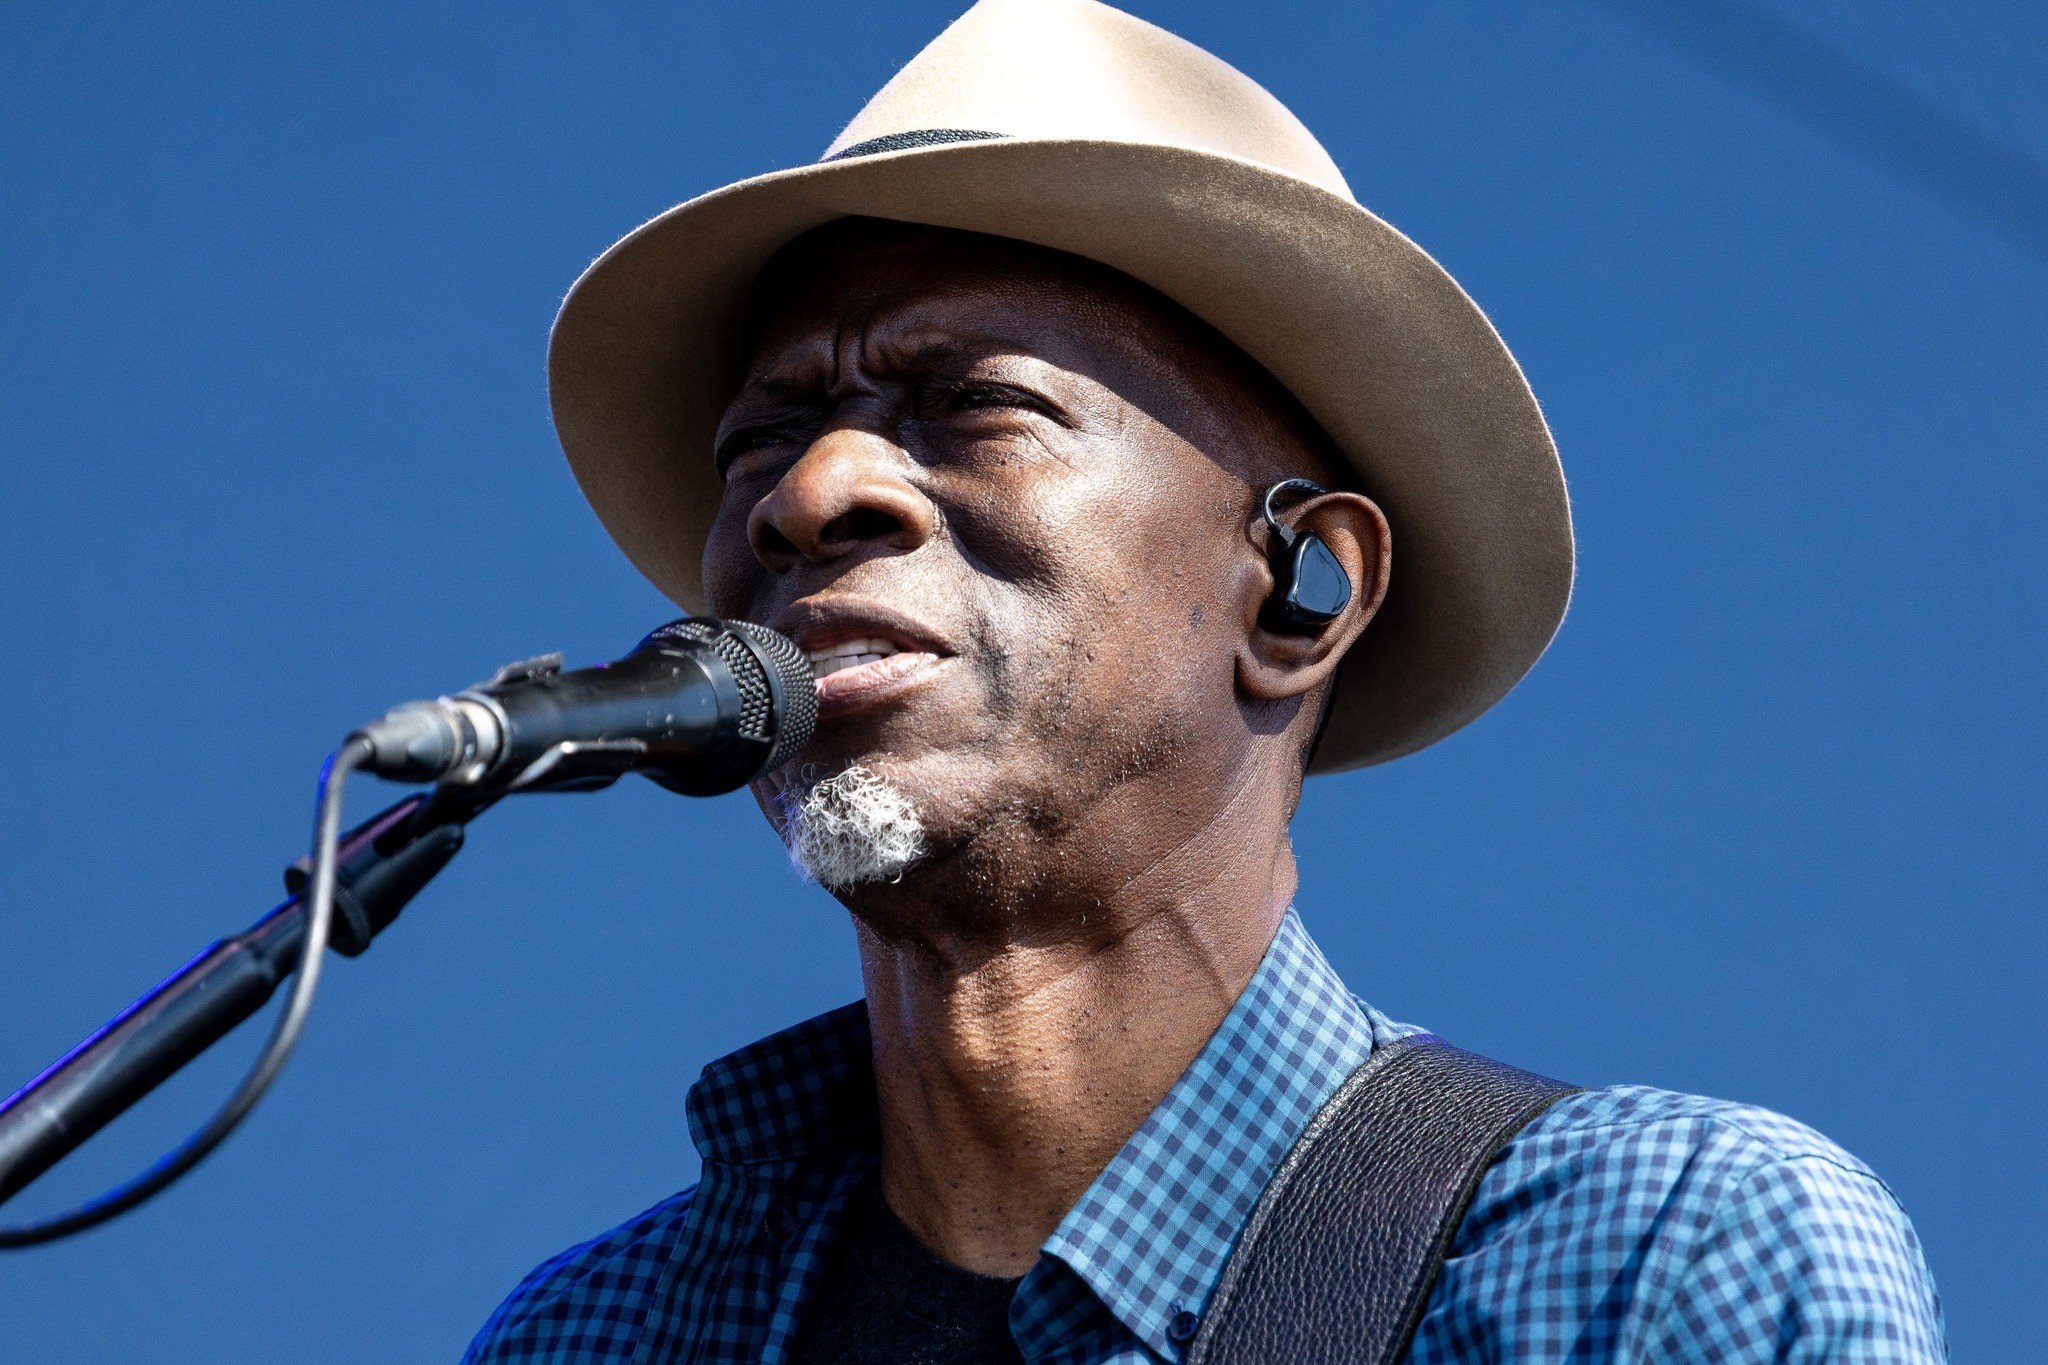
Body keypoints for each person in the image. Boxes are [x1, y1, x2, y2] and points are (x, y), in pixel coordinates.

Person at [466, 2, 1945, 1361]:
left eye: (975, 405)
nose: (811, 493)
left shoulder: (1652, 1261)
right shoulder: (592, 1338)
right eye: (760, 444)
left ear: (1302, 596)